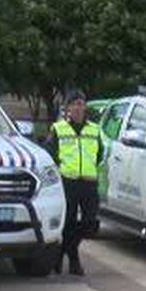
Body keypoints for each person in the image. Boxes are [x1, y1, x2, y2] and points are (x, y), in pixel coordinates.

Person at [43, 91, 102, 276]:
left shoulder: (94, 129)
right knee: (67, 222)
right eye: (74, 104)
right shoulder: (58, 129)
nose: (78, 107)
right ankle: (74, 261)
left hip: (89, 182)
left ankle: (61, 253)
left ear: (85, 107)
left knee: (90, 224)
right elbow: (49, 154)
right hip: (67, 182)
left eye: (81, 103)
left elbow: (100, 153)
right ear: (67, 108)